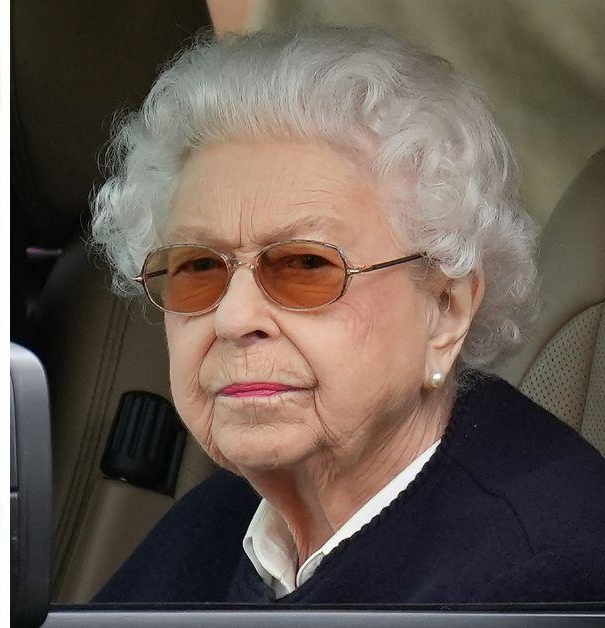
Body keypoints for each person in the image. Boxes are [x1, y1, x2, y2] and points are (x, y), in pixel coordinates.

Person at [90, 27, 605, 604]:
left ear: (446, 309)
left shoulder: (545, 582)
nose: (234, 318)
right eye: (198, 269)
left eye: (306, 265)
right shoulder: (222, 522)